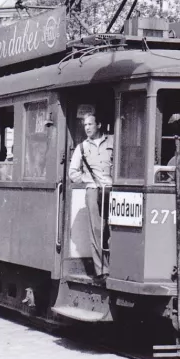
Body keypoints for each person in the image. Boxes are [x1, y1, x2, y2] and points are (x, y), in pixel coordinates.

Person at [68, 113, 113, 279]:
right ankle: (102, 270)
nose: (87, 128)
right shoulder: (82, 147)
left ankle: (116, 266)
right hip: (93, 190)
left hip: (112, 190)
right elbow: (73, 172)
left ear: (99, 125)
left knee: (113, 228)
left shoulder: (112, 142)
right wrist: (87, 180)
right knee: (96, 230)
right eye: (85, 125)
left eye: (90, 124)